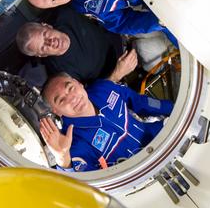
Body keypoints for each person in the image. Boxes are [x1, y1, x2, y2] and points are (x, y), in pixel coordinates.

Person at [24, 0, 176, 68]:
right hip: (160, 4)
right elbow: (120, 21)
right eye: (53, 0)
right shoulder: (81, 5)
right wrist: (158, 21)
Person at [38, 72, 173, 172]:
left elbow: (141, 102)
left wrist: (175, 108)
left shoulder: (104, 89)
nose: (72, 98)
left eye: (71, 88)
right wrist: (63, 159)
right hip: (138, 173)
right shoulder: (71, 141)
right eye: (61, 100)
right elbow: (83, 185)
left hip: (157, 136)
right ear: (57, 111)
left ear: (78, 83)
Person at [16, 9, 133, 84]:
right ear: (41, 55)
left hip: (124, 31)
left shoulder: (66, 13)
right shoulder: (61, 75)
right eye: (43, 47)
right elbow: (93, 97)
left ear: (47, 26)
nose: (50, 42)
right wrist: (118, 74)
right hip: (124, 73)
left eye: (45, 35)